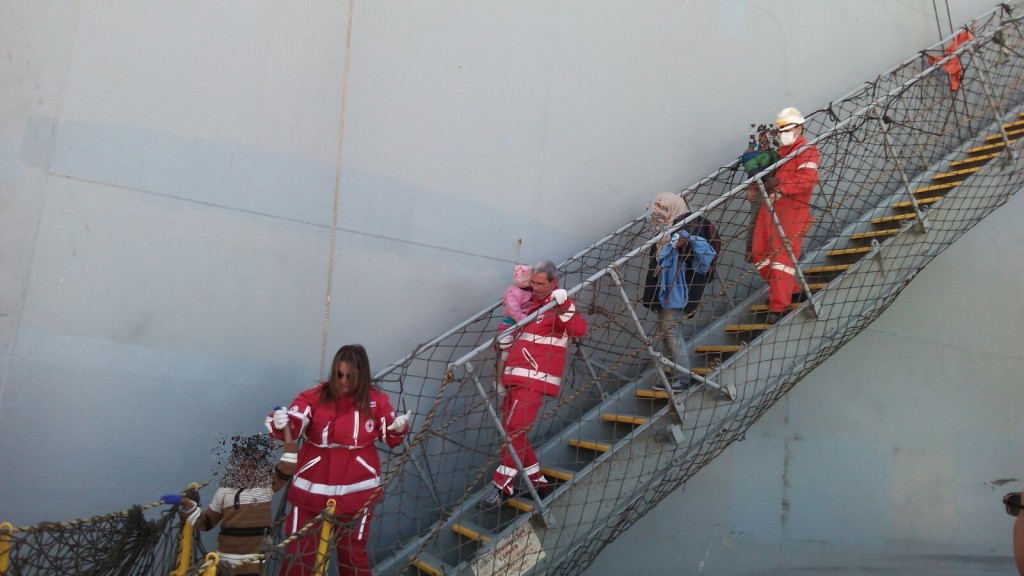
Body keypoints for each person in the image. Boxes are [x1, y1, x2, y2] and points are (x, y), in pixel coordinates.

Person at [268, 344, 410, 576]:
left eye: (349, 376)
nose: (343, 381)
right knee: (297, 556)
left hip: (357, 495)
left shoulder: (376, 401)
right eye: (339, 374)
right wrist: (282, 422)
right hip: (310, 494)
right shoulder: (313, 397)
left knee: (352, 557)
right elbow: (297, 419)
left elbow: (389, 433)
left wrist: (397, 427)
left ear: (361, 375)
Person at [480, 259, 588, 510]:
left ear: (554, 283)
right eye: (533, 283)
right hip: (515, 379)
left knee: (514, 431)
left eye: (541, 284)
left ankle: (502, 486)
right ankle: (538, 482)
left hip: (534, 380)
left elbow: (579, 329)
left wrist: (565, 304)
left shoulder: (557, 308)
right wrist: (503, 344)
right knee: (514, 432)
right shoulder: (532, 309)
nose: (536, 287)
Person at [161, 433, 298, 575]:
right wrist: (185, 502)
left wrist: (287, 430)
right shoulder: (224, 492)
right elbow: (206, 522)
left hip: (252, 564)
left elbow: (287, 466)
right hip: (225, 564)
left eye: (252, 464)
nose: (246, 469)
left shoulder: (265, 486)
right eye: (241, 464)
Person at [749, 107, 820, 324]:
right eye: (782, 130)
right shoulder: (780, 155)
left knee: (782, 257)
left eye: (789, 129)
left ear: (800, 128)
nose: (785, 133)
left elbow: (808, 179)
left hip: (792, 210)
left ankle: (779, 307)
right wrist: (755, 186)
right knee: (759, 253)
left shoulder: (807, 151)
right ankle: (792, 289)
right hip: (771, 209)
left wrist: (780, 188)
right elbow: (769, 177)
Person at [641, 192, 717, 392]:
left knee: (671, 332)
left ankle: (681, 378)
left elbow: (701, 257)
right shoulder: (667, 230)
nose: (658, 215)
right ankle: (670, 374)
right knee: (665, 333)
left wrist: (684, 245)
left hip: (682, 290)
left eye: (663, 209)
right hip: (667, 291)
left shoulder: (691, 225)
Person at [495, 264, 534, 386]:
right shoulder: (514, 292)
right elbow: (513, 311)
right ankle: (499, 380)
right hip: (510, 326)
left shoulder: (530, 291)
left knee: (517, 353)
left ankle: (511, 380)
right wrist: (526, 320)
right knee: (506, 354)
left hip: (522, 326)